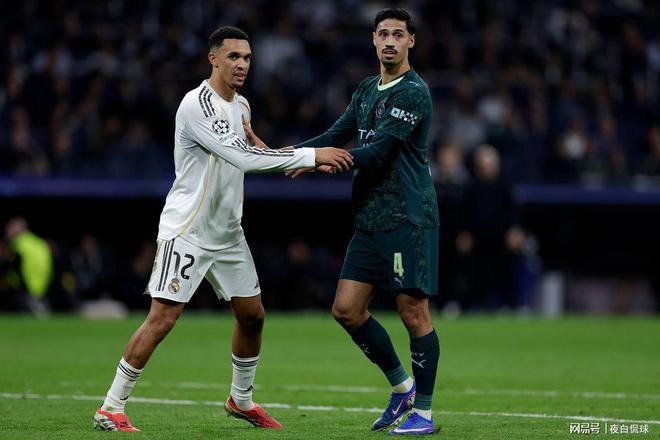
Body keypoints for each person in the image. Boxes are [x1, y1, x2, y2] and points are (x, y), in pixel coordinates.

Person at [92, 26, 353, 432]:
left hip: (228, 233)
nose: (242, 64)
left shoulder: (242, 106)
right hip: (189, 229)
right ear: (213, 59)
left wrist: (286, 156)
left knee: (252, 317)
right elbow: (243, 159)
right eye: (233, 56)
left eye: (247, 58)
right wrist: (311, 153)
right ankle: (111, 406)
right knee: (162, 319)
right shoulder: (196, 105)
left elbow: (249, 152)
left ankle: (241, 400)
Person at [247, 8, 440, 435]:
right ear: (373, 39)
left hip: (407, 216)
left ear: (411, 41)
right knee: (347, 310)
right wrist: (285, 156)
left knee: (413, 313)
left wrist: (323, 161)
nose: (390, 41)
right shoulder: (367, 89)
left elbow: (379, 152)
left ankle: (424, 414)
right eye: (383, 34)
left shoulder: (413, 93)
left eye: (398, 35)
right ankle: (402, 388)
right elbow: (335, 135)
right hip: (370, 217)